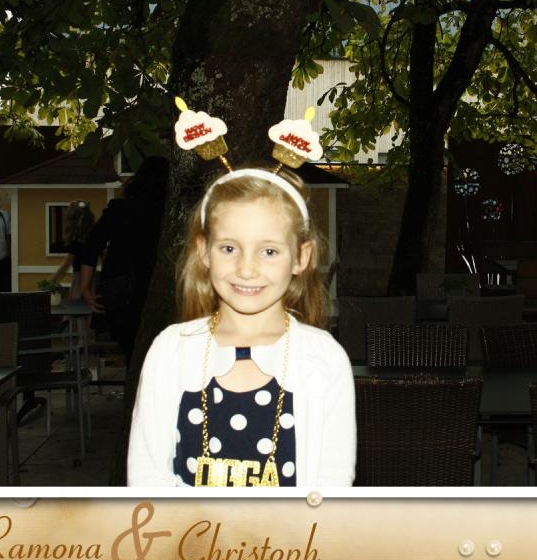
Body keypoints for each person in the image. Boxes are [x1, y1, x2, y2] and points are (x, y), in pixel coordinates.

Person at [126, 168, 356, 488]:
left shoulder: (324, 359)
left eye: (269, 251)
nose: (246, 269)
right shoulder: (170, 351)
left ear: (301, 257)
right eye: (229, 248)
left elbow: (331, 486)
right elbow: (147, 478)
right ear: (204, 251)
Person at [76, 157, 169, 356]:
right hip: (154, 288)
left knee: (129, 350)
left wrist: (85, 288)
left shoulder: (119, 209)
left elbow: (92, 246)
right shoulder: (169, 214)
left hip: (120, 291)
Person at [49, 200, 95, 299]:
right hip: (92, 280)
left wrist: (48, 283)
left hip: (80, 281)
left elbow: (65, 266)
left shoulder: (77, 240)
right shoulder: (93, 236)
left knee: (77, 307)